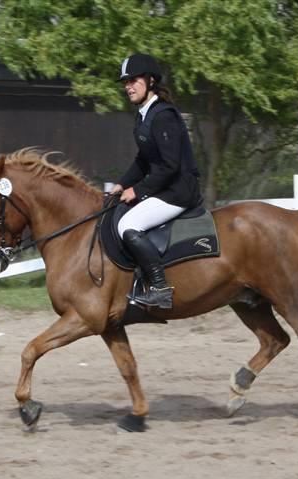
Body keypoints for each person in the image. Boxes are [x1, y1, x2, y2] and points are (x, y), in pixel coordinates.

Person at [111, 53, 202, 309]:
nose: (128, 86)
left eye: (133, 80)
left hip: (179, 190)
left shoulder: (163, 115)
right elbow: (144, 160)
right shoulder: (144, 114)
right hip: (165, 187)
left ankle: (160, 288)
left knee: (128, 225)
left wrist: (137, 191)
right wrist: (122, 183)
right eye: (125, 82)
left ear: (150, 81)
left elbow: (170, 166)